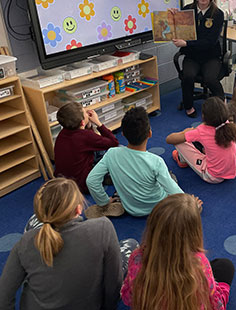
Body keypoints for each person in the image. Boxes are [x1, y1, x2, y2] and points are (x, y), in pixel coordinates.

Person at [0, 178, 124, 310]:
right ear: (78, 209)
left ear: (40, 214)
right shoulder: (102, 227)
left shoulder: (26, 242)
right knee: (129, 245)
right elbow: (114, 283)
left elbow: (3, 297)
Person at [121, 194, 235, 310]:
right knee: (225, 266)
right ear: (194, 232)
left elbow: (128, 297)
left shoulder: (137, 257)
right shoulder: (200, 263)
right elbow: (214, 303)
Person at [86, 106, 184, 217]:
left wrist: (104, 201)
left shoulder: (111, 153)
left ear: (123, 134)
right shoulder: (156, 161)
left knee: (125, 179)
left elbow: (91, 180)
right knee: (171, 177)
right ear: (149, 134)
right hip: (157, 207)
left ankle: (117, 201)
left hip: (130, 208)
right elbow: (174, 191)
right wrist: (191, 204)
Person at [172, 0, 225, 118]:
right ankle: (189, 106)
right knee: (188, 76)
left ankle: (223, 105)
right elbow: (178, 32)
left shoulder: (218, 14)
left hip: (210, 57)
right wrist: (172, 18)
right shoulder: (187, 11)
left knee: (210, 79)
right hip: (192, 56)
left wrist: (187, 43)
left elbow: (209, 42)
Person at [166, 97, 236, 183]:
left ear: (203, 116)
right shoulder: (227, 123)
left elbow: (169, 139)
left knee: (180, 142)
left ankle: (182, 160)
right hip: (233, 170)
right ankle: (185, 158)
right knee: (200, 143)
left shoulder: (201, 131)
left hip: (213, 177)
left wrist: (184, 132)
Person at [54, 101, 119, 194]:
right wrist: (98, 123)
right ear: (82, 122)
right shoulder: (85, 136)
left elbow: (88, 142)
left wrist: (88, 126)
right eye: (85, 112)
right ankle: (105, 178)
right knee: (117, 149)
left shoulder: (62, 133)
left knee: (97, 150)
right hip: (84, 184)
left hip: (64, 182)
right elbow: (114, 142)